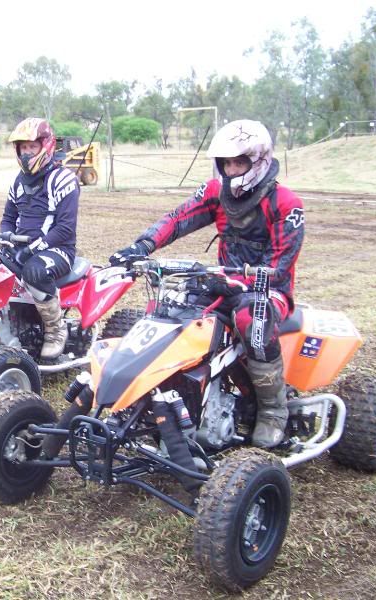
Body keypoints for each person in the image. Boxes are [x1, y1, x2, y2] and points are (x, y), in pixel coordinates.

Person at [109, 119, 305, 448]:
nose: (231, 170)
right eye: (226, 163)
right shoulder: (216, 191)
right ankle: (167, 396)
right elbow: (179, 218)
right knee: (170, 309)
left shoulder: (286, 203)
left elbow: (280, 265)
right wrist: (142, 245)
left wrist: (237, 281)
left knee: (251, 319)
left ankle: (273, 410)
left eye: (239, 162)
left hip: (268, 290)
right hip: (221, 282)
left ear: (258, 160)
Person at [1, 117, 80, 360]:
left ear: (46, 146)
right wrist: (5, 239)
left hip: (59, 250)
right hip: (23, 248)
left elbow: (65, 229)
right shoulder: (18, 181)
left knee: (34, 271)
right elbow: (8, 218)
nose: (27, 153)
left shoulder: (63, 178)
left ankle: (56, 330)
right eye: (23, 148)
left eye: (32, 147)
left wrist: (33, 249)